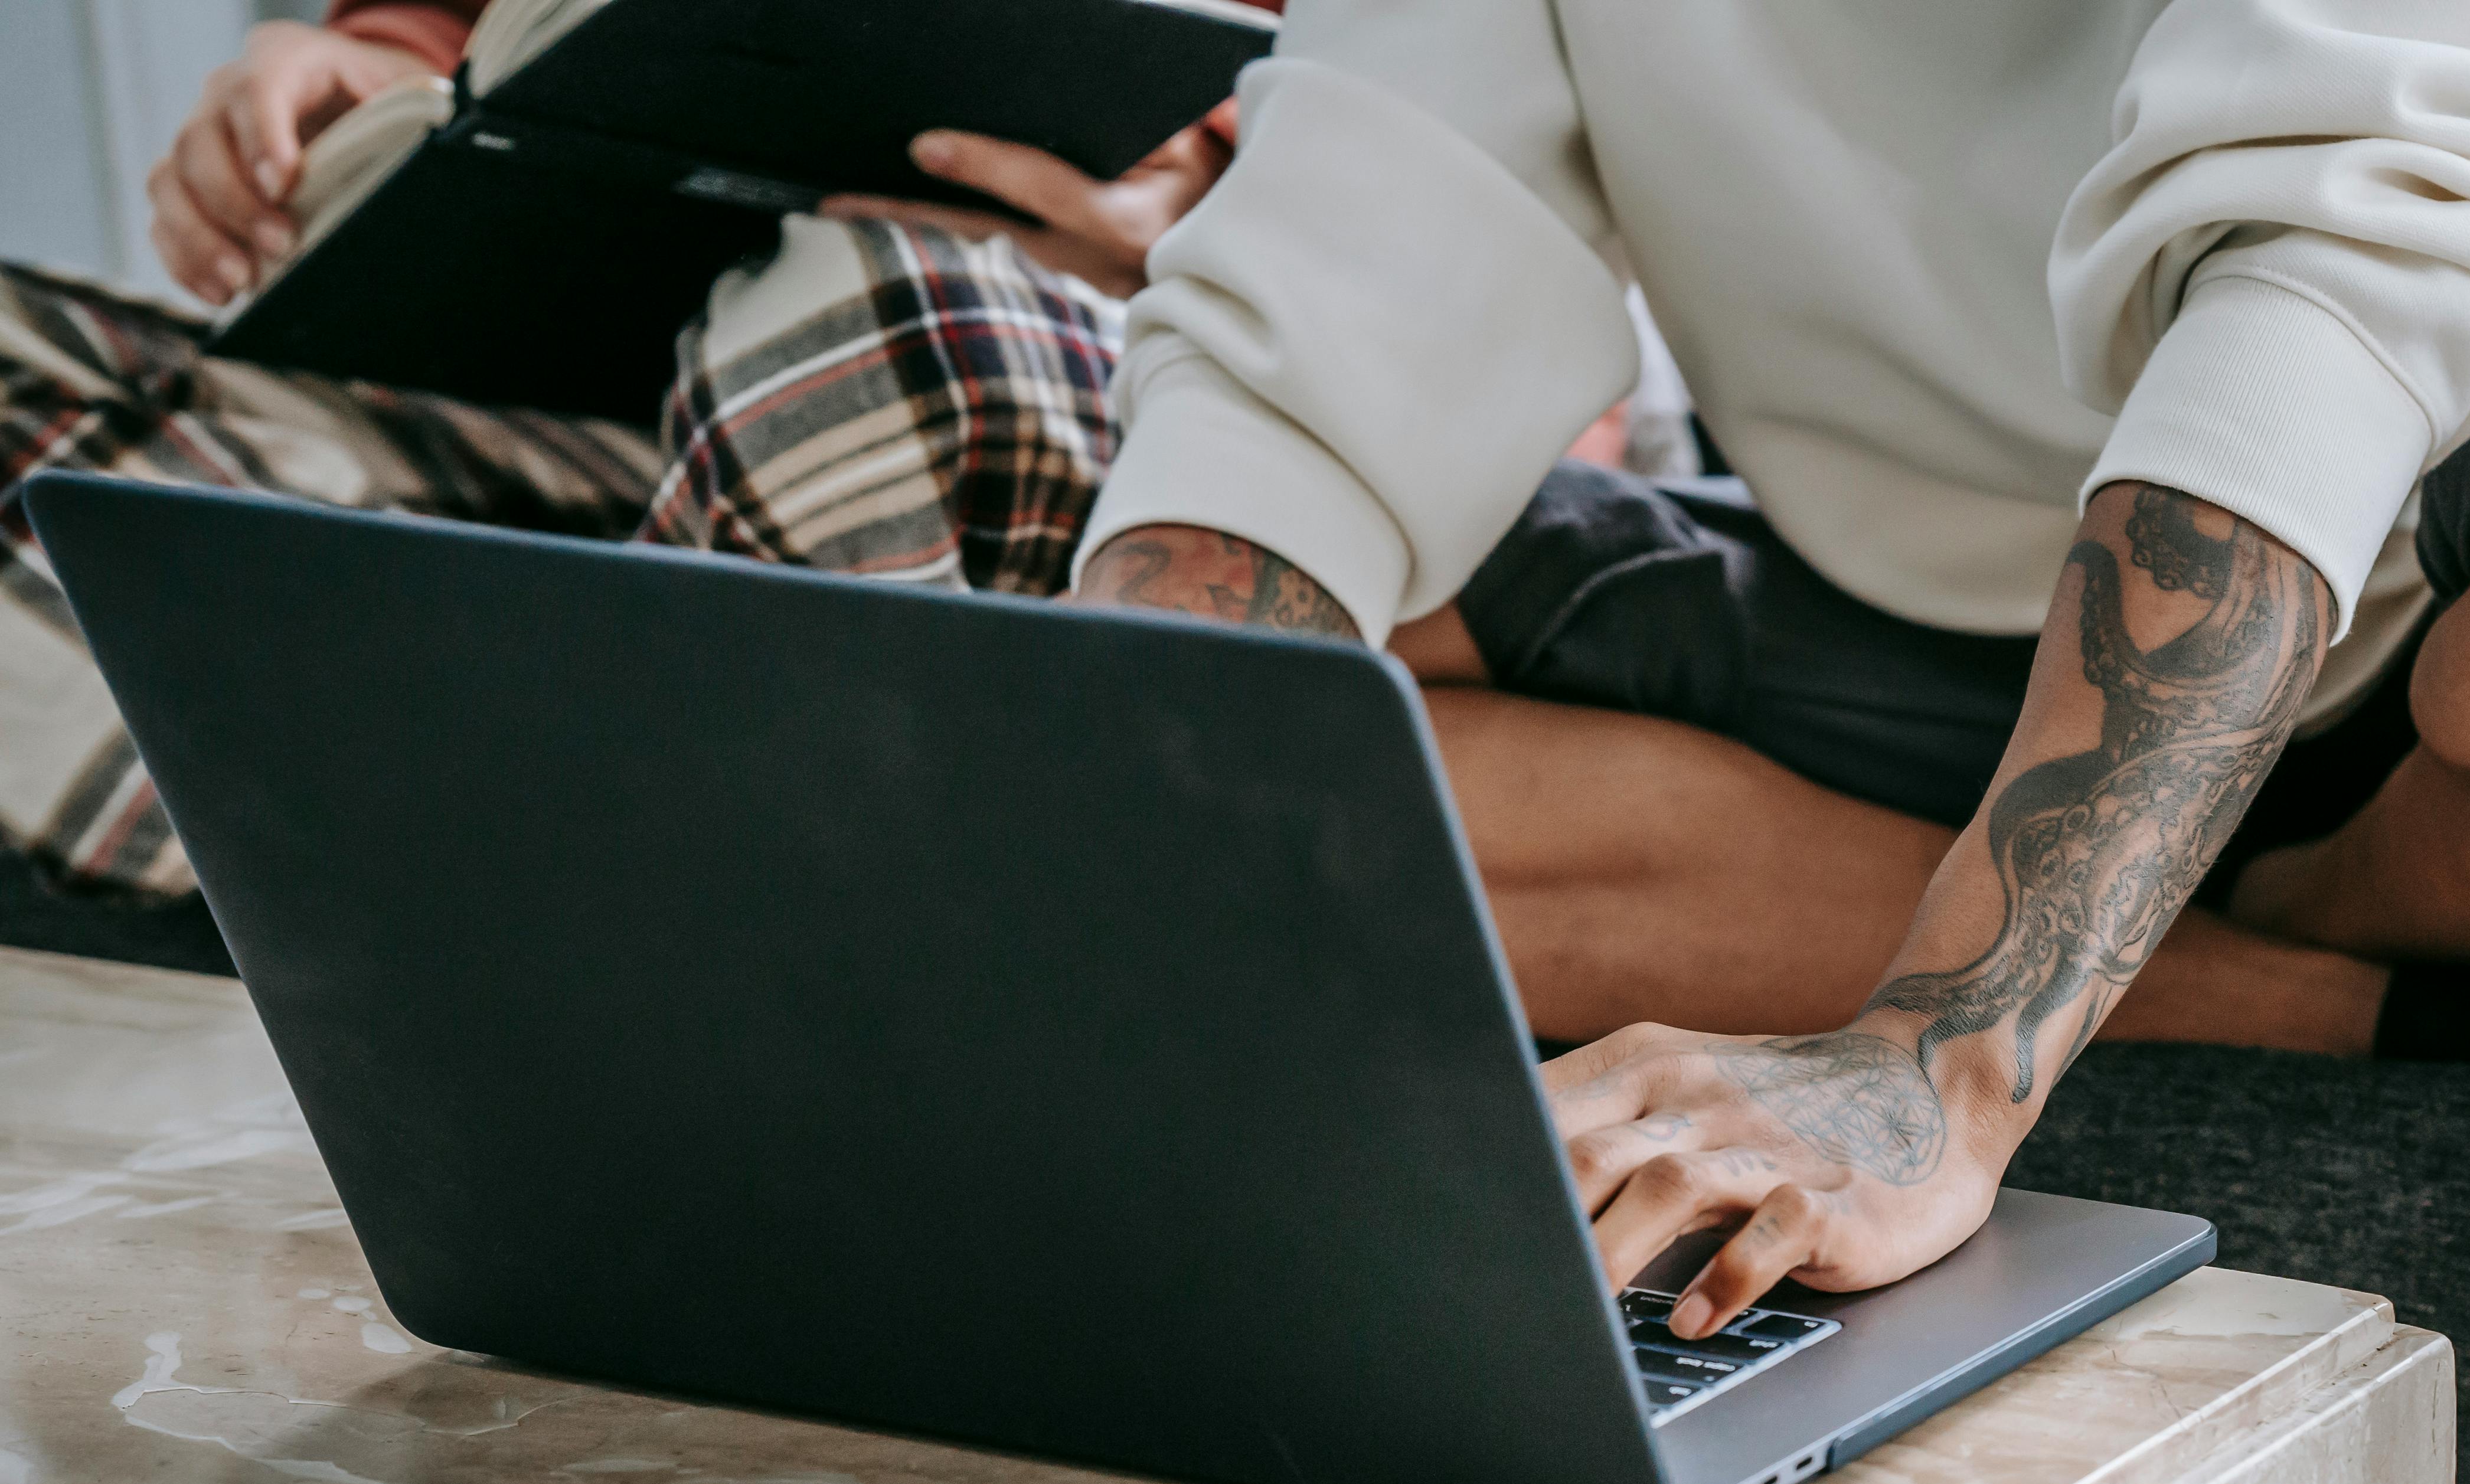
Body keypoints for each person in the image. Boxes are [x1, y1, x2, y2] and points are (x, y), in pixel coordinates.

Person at [1054, 0, 2470, 1335]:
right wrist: (1084, 897)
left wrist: (1942, 1062)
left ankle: (2236, 924)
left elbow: (2354, 246)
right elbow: (1333, 315)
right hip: (1970, 612)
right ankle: (2357, 996)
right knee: (1308, 769)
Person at [0, 0, 1687, 893]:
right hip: (603, 381)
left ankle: (526, 849)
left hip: (1095, 368)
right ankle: (584, 856)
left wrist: (1211, 211)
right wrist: (356, 64)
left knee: (856, 322)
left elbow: (1543, 309)